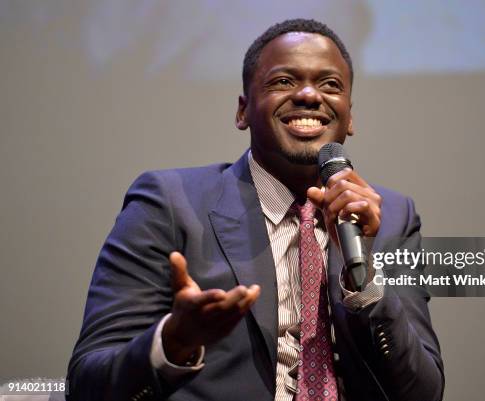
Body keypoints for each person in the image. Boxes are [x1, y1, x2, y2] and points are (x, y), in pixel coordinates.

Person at [67, 19, 444, 401]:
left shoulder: (391, 216)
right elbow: (87, 385)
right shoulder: (169, 202)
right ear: (243, 111)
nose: (310, 95)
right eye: (284, 81)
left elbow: (422, 393)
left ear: (349, 117)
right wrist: (174, 341)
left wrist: (363, 280)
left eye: (330, 85)